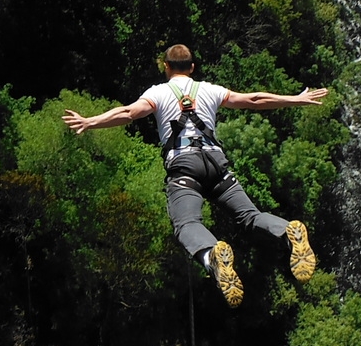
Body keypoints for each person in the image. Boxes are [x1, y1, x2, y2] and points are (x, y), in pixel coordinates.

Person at [62, 44, 327, 307]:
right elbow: (252, 100)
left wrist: (90, 121)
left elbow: (128, 113)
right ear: (192, 67)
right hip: (216, 164)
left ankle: (212, 254)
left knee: (186, 224)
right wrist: (295, 99)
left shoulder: (159, 93)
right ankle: (287, 229)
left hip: (185, 168)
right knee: (250, 217)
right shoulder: (209, 89)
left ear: (166, 67)